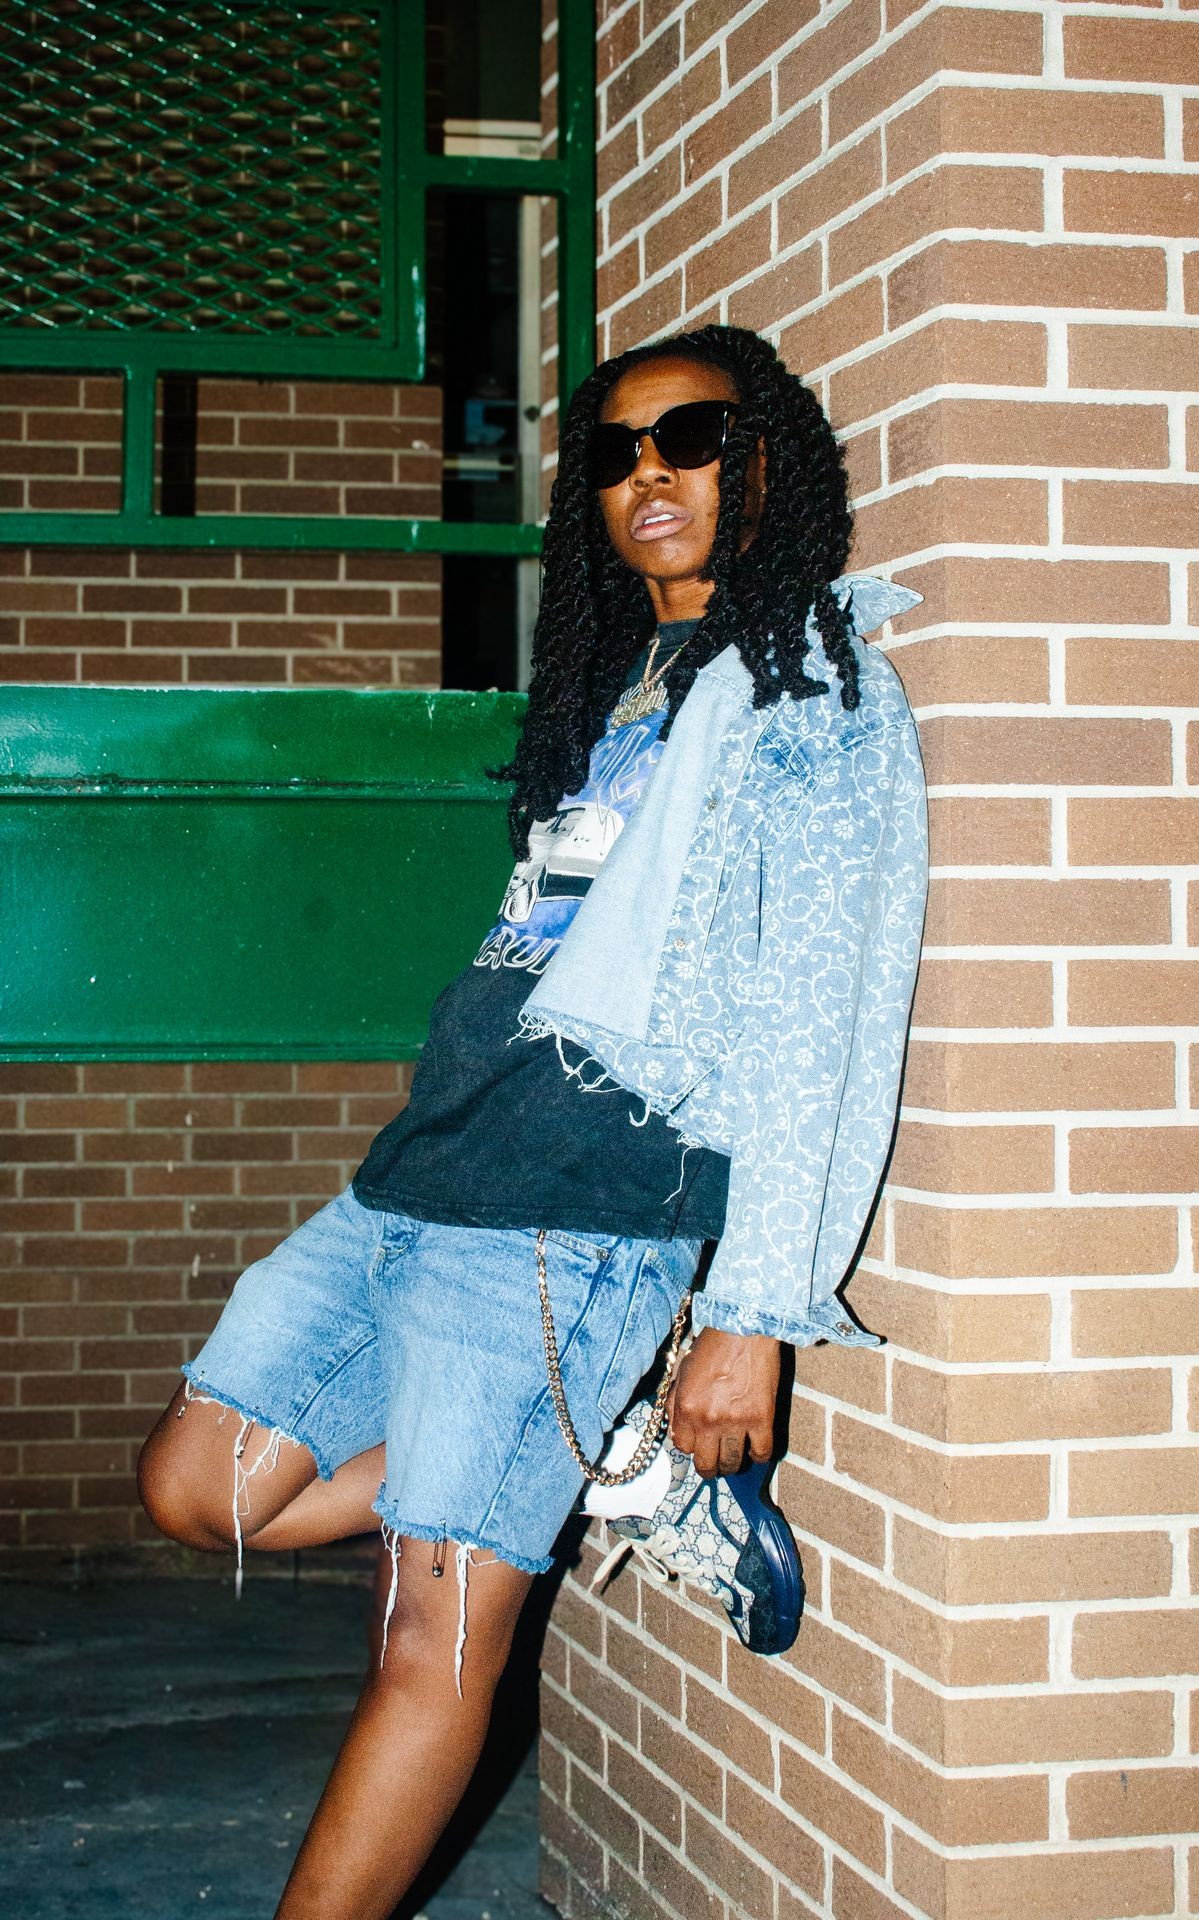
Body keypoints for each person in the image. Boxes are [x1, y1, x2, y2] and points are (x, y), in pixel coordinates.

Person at [135, 323, 927, 1920]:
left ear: (764, 460)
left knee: (428, 1638)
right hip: (428, 1172)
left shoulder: (809, 693)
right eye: (620, 450)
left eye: (692, 436)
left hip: (576, 1213)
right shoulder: (625, 680)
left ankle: (583, 1429)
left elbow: (822, 1028)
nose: (651, 473)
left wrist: (750, 1316)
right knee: (201, 1483)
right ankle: (595, 1449)